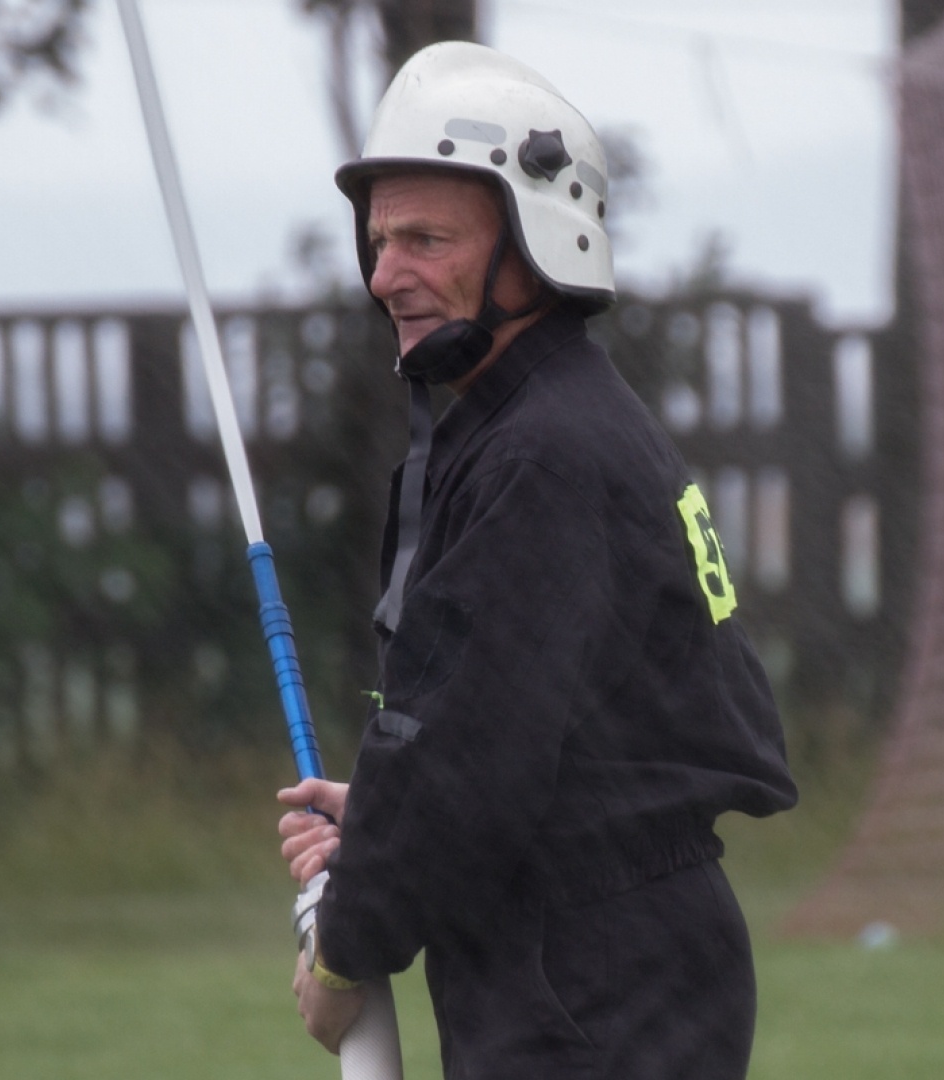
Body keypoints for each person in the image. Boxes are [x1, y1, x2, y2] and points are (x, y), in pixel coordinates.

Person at [276, 42, 797, 1080]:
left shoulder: (543, 454)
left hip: (595, 982)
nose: (386, 277)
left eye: (426, 239)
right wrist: (384, 825)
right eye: (379, 242)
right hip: (592, 956)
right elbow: (495, 738)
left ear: (537, 244)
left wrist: (347, 949)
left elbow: (473, 759)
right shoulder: (544, 423)